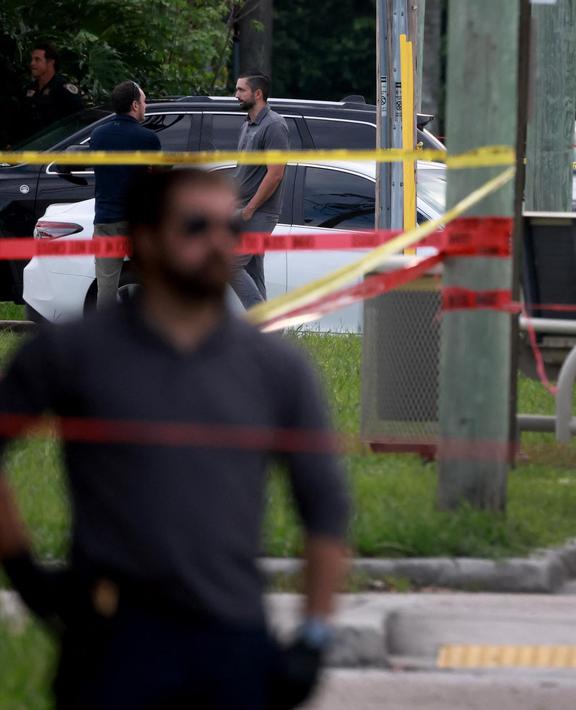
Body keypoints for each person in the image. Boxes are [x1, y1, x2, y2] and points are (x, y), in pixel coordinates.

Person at [0, 169, 350, 710]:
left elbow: (324, 507)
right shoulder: (73, 354)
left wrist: (314, 635)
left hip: (233, 642)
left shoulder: (277, 367)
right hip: (112, 644)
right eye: (195, 226)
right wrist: (26, 575)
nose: (218, 244)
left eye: (229, 230)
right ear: (143, 239)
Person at [89, 80, 161, 309]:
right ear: (134, 105)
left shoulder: (97, 135)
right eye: (144, 101)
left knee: (106, 288)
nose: (146, 105)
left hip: (106, 219)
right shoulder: (148, 140)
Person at [233, 72, 289, 308]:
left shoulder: (274, 125)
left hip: (260, 212)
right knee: (253, 270)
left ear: (258, 94)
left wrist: (249, 209)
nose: (236, 95)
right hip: (244, 208)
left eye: (241, 90)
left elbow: (275, 173)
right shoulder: (248, 123)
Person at [19, 43, 84, 144]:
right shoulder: (30, 88)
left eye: (37, 60)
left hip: (55, 147)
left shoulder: (63, 89)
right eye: (32, 60)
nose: (32, 63)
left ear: (50, 62)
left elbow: (78, 119)